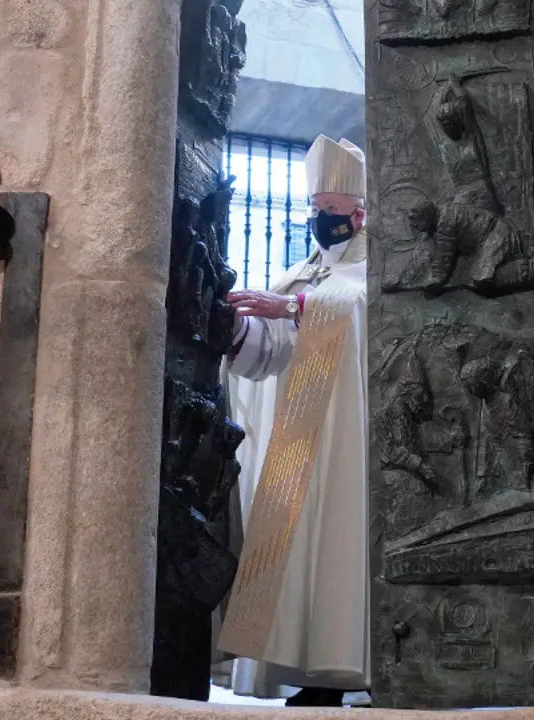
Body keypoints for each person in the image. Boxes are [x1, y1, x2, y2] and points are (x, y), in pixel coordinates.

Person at [212, 135, 369, 708]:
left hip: (351, 436)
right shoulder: (299, 273)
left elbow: (371, 313)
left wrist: (298, 310)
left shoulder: (378, 266)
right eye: (314, 209)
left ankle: (357, 671)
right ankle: (307, 674)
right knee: (289, 547)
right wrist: (236, 332)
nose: (319, 219)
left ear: (359, 212)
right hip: (299, 432)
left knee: (342, 539)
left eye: (329, 210)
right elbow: (272, 352)